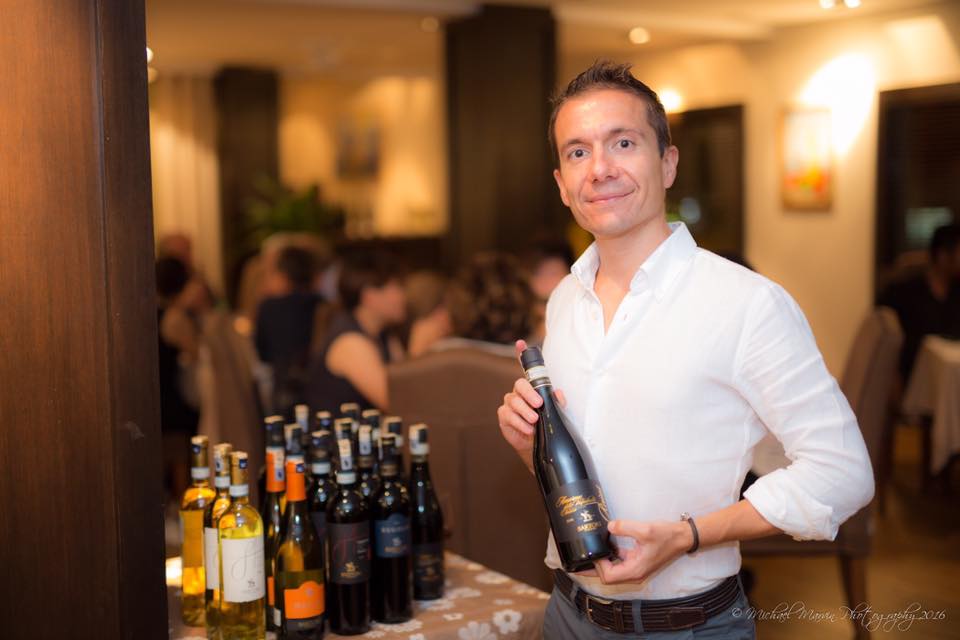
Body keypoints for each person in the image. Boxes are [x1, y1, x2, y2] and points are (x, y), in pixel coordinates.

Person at [496, 61, 874, 638]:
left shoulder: (747, 303)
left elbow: (843, 473)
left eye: (624, 143)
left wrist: (688, 536)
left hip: (688, 624)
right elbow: (598, 466)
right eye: (578, 152)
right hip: (567, 614)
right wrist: (533, 445)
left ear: (668, 163)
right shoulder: (565, 300)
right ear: (562, 184)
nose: (599, 168)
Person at [306, 251, 406, 412]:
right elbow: (398, 402)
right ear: (370, 295)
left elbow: (406, 384)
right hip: (338, 428)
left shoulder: (384, 334)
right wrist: (420, 344)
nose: (403, 296)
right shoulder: (351, 342)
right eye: (396, 287)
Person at [877, 223, 960, 384]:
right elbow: (884, 339)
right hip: (912, 382)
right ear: (943, 256)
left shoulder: (956, 293)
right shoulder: (904, 292)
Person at [254, 244, 323, 417]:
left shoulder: (269, 307)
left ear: (283, 274)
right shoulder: (324, 307)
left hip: (284, 395)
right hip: (320, 393)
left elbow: (262, 354)